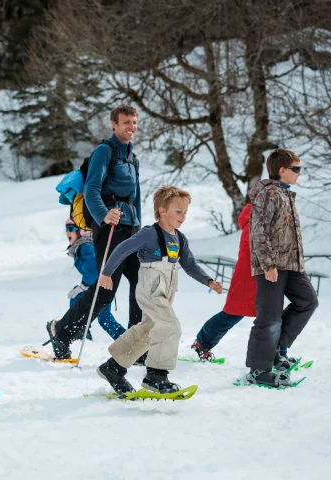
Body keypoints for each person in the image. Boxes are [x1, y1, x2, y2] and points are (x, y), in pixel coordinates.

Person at [96, 186, 223, 394]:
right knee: (170, 326)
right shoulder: (149, 234)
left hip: (166, 290)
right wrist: (107, 273)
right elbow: (122, 248)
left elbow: (189, 264)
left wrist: (208, 281)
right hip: (150, 287)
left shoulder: (179, 238)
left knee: (148, 330)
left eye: (185, 213)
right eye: (178, 211)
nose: (182, 217)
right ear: (162, 210)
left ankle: (114, 367)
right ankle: (156, 376)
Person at [46, 104, 142, 360]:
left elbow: (137, 196)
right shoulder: (104, 151)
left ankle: (136, 343)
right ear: (114, 124)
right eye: (126, 122)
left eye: (134, 122)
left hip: (131, 229)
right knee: (105, 290)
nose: (131, 127)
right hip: (108, 228)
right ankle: (62, 331)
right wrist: (103, 214)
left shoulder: (133, 157)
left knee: (140, 283)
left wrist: (140, 229)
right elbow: (91, 190)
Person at [245, 148, 318, 387]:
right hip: (272, 266)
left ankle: (276, 349)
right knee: (269, 318)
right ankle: (258, 369)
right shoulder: (268, 194)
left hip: (292, 265)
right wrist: (267, 264)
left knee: (307, 301)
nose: (299, 173)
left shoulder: (285, 194)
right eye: (296, 169)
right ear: (282, 170)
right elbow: (258, 232)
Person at [191, 203, 296, 369]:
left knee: (274, 317)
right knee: (231, 315)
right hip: (247, 279)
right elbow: (261, 251)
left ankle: (280, 353)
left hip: (265, 279)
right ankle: (202, 344)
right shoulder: (254, 224)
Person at [64, 219, 125, 341]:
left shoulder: (85, 246)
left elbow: (93, 273)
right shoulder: (82, 246)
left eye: (71, 229)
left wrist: (83, 287)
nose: (67, 233)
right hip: (100, 286)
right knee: (103, 318)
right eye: (66, 229)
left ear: (81, 231)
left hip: (101, 286)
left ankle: (128, 343)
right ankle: (82, 335)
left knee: (101, 317)